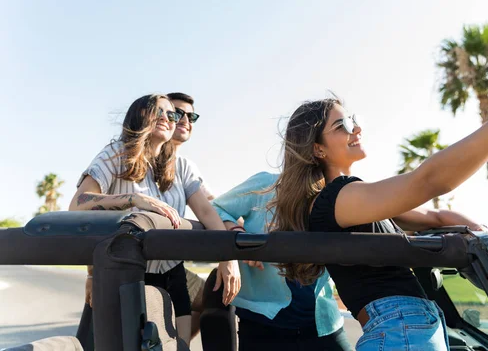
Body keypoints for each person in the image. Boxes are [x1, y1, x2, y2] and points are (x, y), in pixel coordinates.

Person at [269, 48, 488, 350]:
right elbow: (428, 181)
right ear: (318, 149)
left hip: (410, 328)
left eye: (353, 119)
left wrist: (484, 241)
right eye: (342, 126)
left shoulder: (357, 200)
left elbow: (435, 217)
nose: (357, 128)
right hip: (399, 328)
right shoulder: (336, 199)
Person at [68, 93, 241, 345]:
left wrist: (229, 257)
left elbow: (206, 212)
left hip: (172, 272)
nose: (167, 118)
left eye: (171, 114)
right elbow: (78, 204)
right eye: (157, 111)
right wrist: (135, 201)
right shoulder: (116, 154)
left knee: (179, 346)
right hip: (125, 274)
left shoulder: (181, 167)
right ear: (140, 115)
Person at [211, 171, 353, 351]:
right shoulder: (266, 183)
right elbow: (215, 208)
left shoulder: (338, 192)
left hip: (323, 324)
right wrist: (238, 237)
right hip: (263, 327)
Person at [166, 92, 216, 340]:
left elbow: (210, 206)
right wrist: (92, 274)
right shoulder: (132, 158)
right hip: (129, 267)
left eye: (191, 116)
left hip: (172, 267)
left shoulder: (185, 166)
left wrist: (236, 223)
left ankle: (178, 344)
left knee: (215, 297)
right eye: (177, 113)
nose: (185, 120)